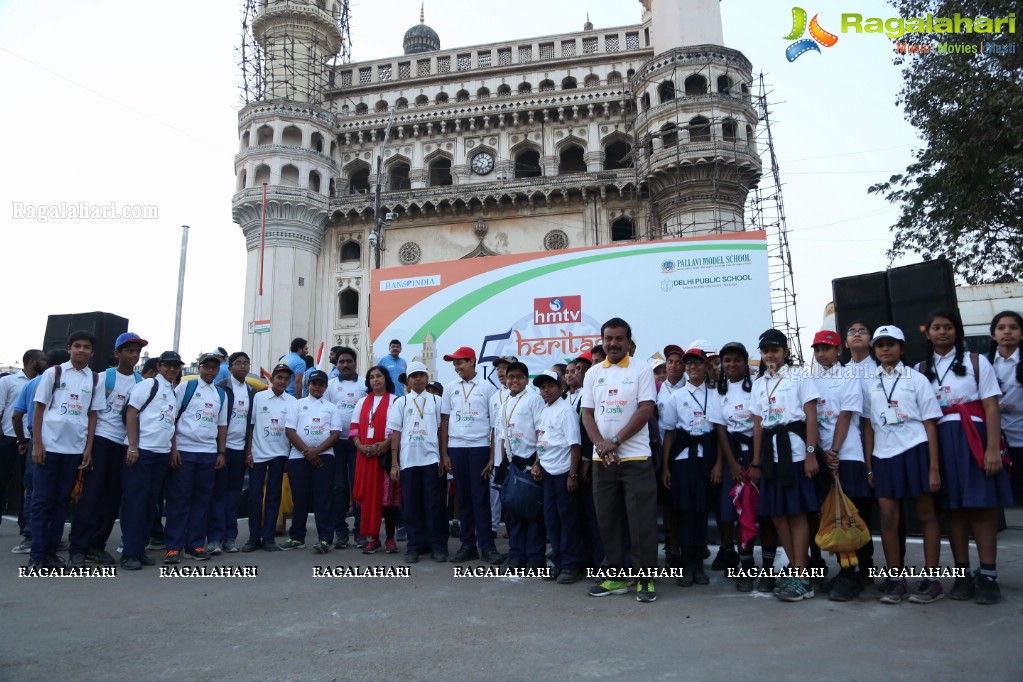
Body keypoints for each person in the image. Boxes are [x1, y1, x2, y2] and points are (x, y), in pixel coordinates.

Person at [917, 309, 1011, 605]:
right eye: (936, 328)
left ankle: (988, 576)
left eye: (947, 327)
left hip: (974, 438)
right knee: (954, 511)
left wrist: (992, 448)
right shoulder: (919, 369)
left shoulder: (976, 361)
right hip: (940, 443)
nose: (942, 332)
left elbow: (991, 406)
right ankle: (963, 575)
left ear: (956, 332)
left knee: (981, 510)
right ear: (928, 333)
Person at [862, 325, 943, 604]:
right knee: (887, 516)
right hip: (884, 456)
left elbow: (931, 423)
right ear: (874, 350)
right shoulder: (870, 382)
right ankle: (896, 579)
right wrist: (870, 465)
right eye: (880, 345)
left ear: (902, 348)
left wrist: (933, 467)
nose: (885, 349)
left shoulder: (916, 379)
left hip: (915, 449)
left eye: (891, 344)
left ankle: (932, 580)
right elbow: (869, 426)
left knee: (925, 513)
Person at [581, 318, 658, 602]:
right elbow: (587, 413)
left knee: (642, 523)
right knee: (608, 521)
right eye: (608, 339)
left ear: (628, 342)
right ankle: (614, 577)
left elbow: (646, 410)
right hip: (603, 461)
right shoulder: (593, 373)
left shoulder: (642, 369)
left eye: (618, 339)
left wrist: (614, 441)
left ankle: (645, 579)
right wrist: (601, 445)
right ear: (602, 340)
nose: (613, 344)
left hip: (635, 458)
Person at [749, 328, 821, 602]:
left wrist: (812, 453)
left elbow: (811, 417)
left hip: (797, 453)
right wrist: (756, 461)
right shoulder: (759, 384)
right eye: (765, 350)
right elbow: (757, 426)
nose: (770, 354)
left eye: (775, 350)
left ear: (785, 352)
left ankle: (803, 575)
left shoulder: (799, 376)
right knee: (777, 514)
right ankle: (796, 568)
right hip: (770, 455)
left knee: (797, 513)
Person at [68, 332, 146, 567]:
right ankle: (78, 548)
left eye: (137, 351)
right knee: (91, 497)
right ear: (117, 353)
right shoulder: (102, 378)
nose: (133, 355)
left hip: (123, 446)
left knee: (112, 500)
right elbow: (90, 414)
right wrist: (88, 448)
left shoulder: (141, 382)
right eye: (129, 350)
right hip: (101, 441)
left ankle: (96, 546)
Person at [28, 331, 105, 569]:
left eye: (87, 347)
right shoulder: (54, 372)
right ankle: (38, 555)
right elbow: (39, 409)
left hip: (74, 450)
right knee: (42, 501)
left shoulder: (94, 379)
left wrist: (88, 449)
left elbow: (92, 416)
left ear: (92, 352)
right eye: (77, 346)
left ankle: (51, 553)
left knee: (62, 502)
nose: (82, 351)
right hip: (49, 447)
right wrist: (37, 444)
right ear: (69, 347)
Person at [810, 330, 874, 601]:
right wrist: (822, 453)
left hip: (847, 455)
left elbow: (846, 415)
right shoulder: (810, 379)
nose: (822, 353)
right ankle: (846, 570)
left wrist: (834, 451)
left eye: (827, 348)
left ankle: (861, 571)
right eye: (818, 349)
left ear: (839, 351)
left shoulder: (848, 375)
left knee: (853, 515)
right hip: (823, 458)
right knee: (832, 516)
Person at [716, 341, 778, 592]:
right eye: (727, 360)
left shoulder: (758, 386)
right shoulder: (718, 391)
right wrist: (731, 464)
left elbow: (761, 424)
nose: (732, 365)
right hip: (734, 457)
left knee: (765, 513)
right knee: (740, 514)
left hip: (759, 454)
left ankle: (768, 569)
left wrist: (756, 462)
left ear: (746, 363)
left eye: (737, 360)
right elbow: (720, 429)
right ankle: (747, 565)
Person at [661, 347, 723, 587]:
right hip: (682, 459)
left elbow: (719, 432)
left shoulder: (714, 394)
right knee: (684, 511)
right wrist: (665, 466)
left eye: (697, 363)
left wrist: (718, 463)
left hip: (706, 456)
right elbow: (668, 434)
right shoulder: (675, 397)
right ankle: (686, 564)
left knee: (701, 511)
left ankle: (699, 563)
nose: (692, 368)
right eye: (689, 364)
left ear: (706, 367)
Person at [162, 353, 229, 563]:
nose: (210, 371)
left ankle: (195, 545)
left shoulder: (221, 394)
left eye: (214, 368)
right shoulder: (186, 387)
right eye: (206, 367)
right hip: (184, 450)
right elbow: (171, 419)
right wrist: (173, 450)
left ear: (218, 370)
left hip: (208, 453)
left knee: (202, 501)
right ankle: (173, 547)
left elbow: (222, 425)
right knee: (179, 500)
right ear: (199, 367)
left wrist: (221, 452)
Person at [120, 350, 183, 570]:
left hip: (161, 453)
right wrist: (133, 446)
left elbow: (171, 423)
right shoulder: (148, 385)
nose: (172, 370)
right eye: (167, 365)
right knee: (135, 503)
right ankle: (129, 553)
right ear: (159, 366)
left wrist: (173, 450)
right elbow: (131, 412)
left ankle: (140, 549)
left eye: (175, 366)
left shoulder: (172, 391)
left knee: (150, 504)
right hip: (142, 451)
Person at [440, 346, 502, 565]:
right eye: (455, 364)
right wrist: (444, 454)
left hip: (479, 448)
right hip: (457, 448)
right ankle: (467, 545)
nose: (457, 367)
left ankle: (487, 546)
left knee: (480, 498)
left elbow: (495, 425)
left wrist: (493, 456)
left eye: (460, 362)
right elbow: (445, 422)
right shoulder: (449, 388)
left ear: (472, 361)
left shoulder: (487, 387)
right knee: (463, 498)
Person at [387, 361, 448, 563]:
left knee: (434, 505)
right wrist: (395, 463)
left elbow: (442, 431)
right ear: (408, 381)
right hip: (408, 462)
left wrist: (442, 456)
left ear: (427, 378)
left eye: (422, 375)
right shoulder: (401, 403)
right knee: (411, 506)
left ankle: (437, 545)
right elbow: (395, 433)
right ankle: (414, 546)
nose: (418, 379)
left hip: (431, 460)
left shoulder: (437, 401)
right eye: (414, 376)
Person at [10, 350, 68, 555]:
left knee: (34, 491)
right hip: (56, 441)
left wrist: (21, 440)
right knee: (51, 493)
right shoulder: (62, 382)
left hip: (34, 439)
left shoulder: (32, 383)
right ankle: (42, 538)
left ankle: (31, 536)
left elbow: (17, 416)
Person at [281, 369, 341, 553]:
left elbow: (335, 433)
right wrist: (308, 452)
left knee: (323, 499)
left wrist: (316, 452)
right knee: (300, 499)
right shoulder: (297, 405)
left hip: (324, 457)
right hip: (299, 458)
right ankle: (297, 537)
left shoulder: (331, 407)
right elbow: (290, 430)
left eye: (321, 384)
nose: (317, 387)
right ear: (308, 385)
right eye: (314, 383)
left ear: (325, 387)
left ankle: (325, 539)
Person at [531, 369, 582, 583]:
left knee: (567, 521)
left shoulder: (566, 411)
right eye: (542, 387)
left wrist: (572, 474)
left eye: (550, 386)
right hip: (547, 474)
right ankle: (559, 562)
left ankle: (571, 565)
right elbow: (541, 441)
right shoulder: (545, 410)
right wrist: (537, 463)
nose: (546, 391)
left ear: (561, 388)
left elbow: (575, 445)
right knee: (551, 521)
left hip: (563, 473)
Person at [492, 361, 545, 568]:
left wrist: (538, 463)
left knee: (532, 513)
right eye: (510, 377)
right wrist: (504, 463)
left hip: (531, 463)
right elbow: (503, 436)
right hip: (512, 465)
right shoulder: (504, 403)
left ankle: (535, 559)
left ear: (526, 379)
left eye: (519, 377)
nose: (514, 380)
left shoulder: (534, 399)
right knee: (513, 513)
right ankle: (517, 556)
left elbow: (542, 432)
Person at [207, 351, 257, 554]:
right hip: (221, 450)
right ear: (230, 367)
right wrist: (219, 451)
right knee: (218, 494)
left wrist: (248, 452)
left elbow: (251, 425)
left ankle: (230, 537)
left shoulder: (252, 391)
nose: (242, 367)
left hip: (239, 449)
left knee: (233, 495)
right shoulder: (221, 389)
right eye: (238, 363)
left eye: (246, 363)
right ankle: (215, 538)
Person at [244, 364, 297, 552]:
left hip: (280, 454)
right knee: (255, 496)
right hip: (258, 454)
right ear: (272, 378)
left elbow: (292, 431)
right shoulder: (259, 397)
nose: (282, 382)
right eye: (279, 378)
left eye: (286, 379)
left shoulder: (292, 402)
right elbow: (251, 426)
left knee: (274, 497)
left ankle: (268, 538)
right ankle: (253, 538)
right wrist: (248, 452)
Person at [350, 366, 401, 554]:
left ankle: (389, 538)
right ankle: (373, 538)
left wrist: (385, 445)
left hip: (386, 457)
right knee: (369, 499)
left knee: (388, 500)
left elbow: (397, 429)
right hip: (366, 457)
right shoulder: (362, 402)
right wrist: (360, 446)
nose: (375, 380)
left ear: (386, 379)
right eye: (371, 377)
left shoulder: (395, 401)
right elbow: (354, 428)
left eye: (379, 376)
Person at [0, 348, 45, 547]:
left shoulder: (46, 381)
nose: (46, 361)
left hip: (32, 437)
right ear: (32, 361)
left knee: (27, 483)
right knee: (2, 480)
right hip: (9, 436)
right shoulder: (8, 381)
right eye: (42, 358)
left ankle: (25, 525)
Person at [325, 347, 366, 548]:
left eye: (349, 361)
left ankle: (360, 531)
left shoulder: (364, 385)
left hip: (357, 443)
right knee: (338, 488)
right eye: (341, 362)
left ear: (355, 363)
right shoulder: (330, 385)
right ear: (337, 364)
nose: (345, 365)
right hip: (336, 444)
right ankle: (340, 531)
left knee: (358, 487)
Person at [988, 311, 1023, 503]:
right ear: (993, 335)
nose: (1007, 332)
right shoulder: (983, 364)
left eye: (1014, 327)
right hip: (999, 446)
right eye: (1001, 328)